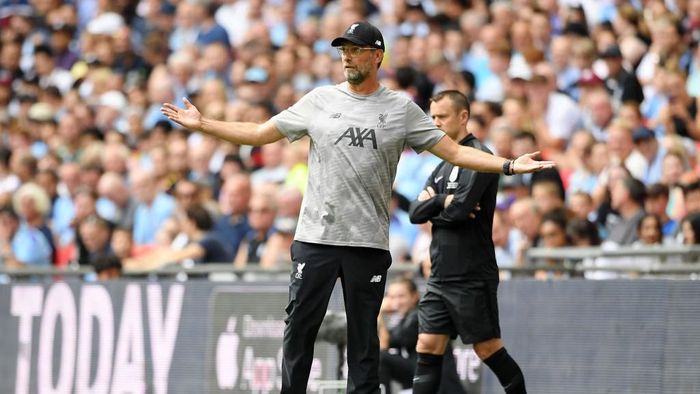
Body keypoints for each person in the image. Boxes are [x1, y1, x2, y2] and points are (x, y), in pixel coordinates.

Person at [161, 21, 552, 393]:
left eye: (356, 51)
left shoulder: (400, 109)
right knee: (299, 328)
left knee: (364, 337)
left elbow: (453, 151)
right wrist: (204, 124)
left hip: (367, 242)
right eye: (344, 51)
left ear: (377, 56)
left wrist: (509, 165)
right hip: (316, 235)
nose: (347, 57)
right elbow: (261, 133)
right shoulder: (320, 100)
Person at [408, 90, 526, 394]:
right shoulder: (442, 161)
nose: (435, 123)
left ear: (463, 116)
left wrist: (437, 204)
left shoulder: (480, 157)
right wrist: (443, 202)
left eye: (441, 117)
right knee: (428, 344)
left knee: (487, 349)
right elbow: (414, 214)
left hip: (472, 274)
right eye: (432, 117)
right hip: (440, 274)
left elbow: (460, 213)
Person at [377, 276, 463, 394]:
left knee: (381, 358)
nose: (395, 302)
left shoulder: (419, 316)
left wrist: (379, 313)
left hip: (440, 384)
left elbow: (384, 345)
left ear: (414, 296)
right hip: (422, 376)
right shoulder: (406, 318)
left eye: (401, 296)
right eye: (391, 297)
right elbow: (383, 343)